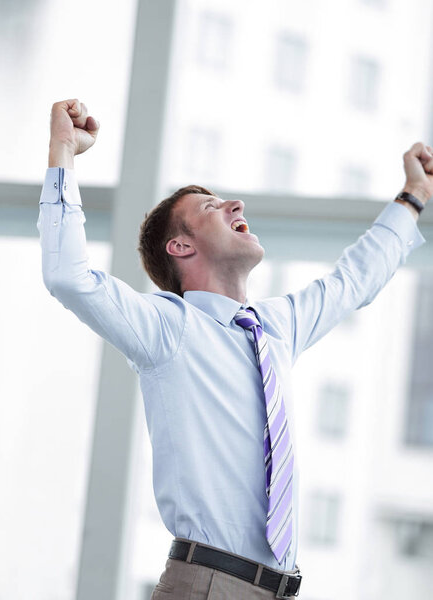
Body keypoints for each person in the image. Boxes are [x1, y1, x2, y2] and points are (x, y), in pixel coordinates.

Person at [38, 98, 431, 599]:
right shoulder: (167, 327)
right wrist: (63, 153)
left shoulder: (277, 327)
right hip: (207, 587)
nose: (236, 205)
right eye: (211, 208)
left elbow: (355, 279)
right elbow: (68, 276)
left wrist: (414, 195)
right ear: (180, 247)